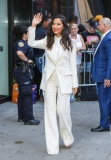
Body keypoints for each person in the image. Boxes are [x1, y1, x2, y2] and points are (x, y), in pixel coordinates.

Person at [28, 13, 78, 155]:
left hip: (65, 79)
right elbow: (31, 42)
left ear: (64, 26)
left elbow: (73, 65)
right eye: (54, 24)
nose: (55, 26)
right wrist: (33, 25)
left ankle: (67, 137)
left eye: (58, 24)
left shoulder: (70, 42)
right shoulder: (47, 40)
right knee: (49, 112)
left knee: (62, 111)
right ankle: (52, 146)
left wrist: (75, 83)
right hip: (49, 79)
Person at [91, 18, 111, 132]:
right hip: (102, 73)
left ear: (105, 25)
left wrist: (107, 77)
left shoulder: (109, 38)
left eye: (99, 24)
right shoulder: (108, 37)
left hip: (105, 75)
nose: (97, 26)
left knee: (103, 99)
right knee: (106, 98)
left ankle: (104, 124)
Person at [12, 25, 40, 125]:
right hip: (23, 71)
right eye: (28, 33)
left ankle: (22, 116)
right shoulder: (21, 43)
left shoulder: (22, 42)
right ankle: (29, 118)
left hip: (21, 70)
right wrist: (28, 60)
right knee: (27, 94)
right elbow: (19, 53)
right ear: (24, 34)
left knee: (22, 94)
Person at [34, 15, 51, 99]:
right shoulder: (40, 31)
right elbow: (35, 42)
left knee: (44, 75)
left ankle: (43, 94)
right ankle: (44, 95)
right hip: (39, 56)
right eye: (49, 22)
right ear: (44, 21)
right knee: (44, 75)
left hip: (42, 56)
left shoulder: (43, 30)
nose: (50, 24)